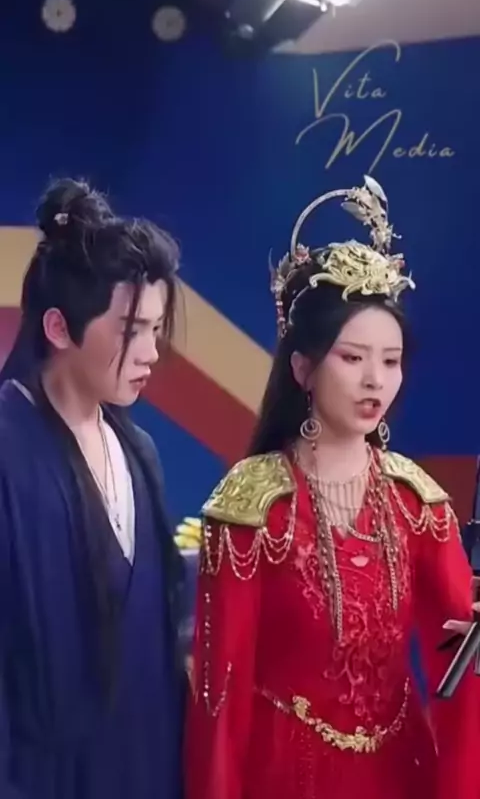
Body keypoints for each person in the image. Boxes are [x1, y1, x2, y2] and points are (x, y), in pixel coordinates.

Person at [183, 176, 480, 799]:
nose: (375, 380)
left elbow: (458, 664)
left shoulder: (417, 504)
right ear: (303, 367)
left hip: (401, 774)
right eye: (352, 358)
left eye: (391, 361)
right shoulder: (253, 509)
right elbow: (220, 699)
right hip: (283, 776)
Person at [0, 179, 185, 799]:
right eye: (133, 328)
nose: (151, 352)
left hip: (141, 769)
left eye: (157, 328)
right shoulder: (8, 450)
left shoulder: (139, 450)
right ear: (59, 327)